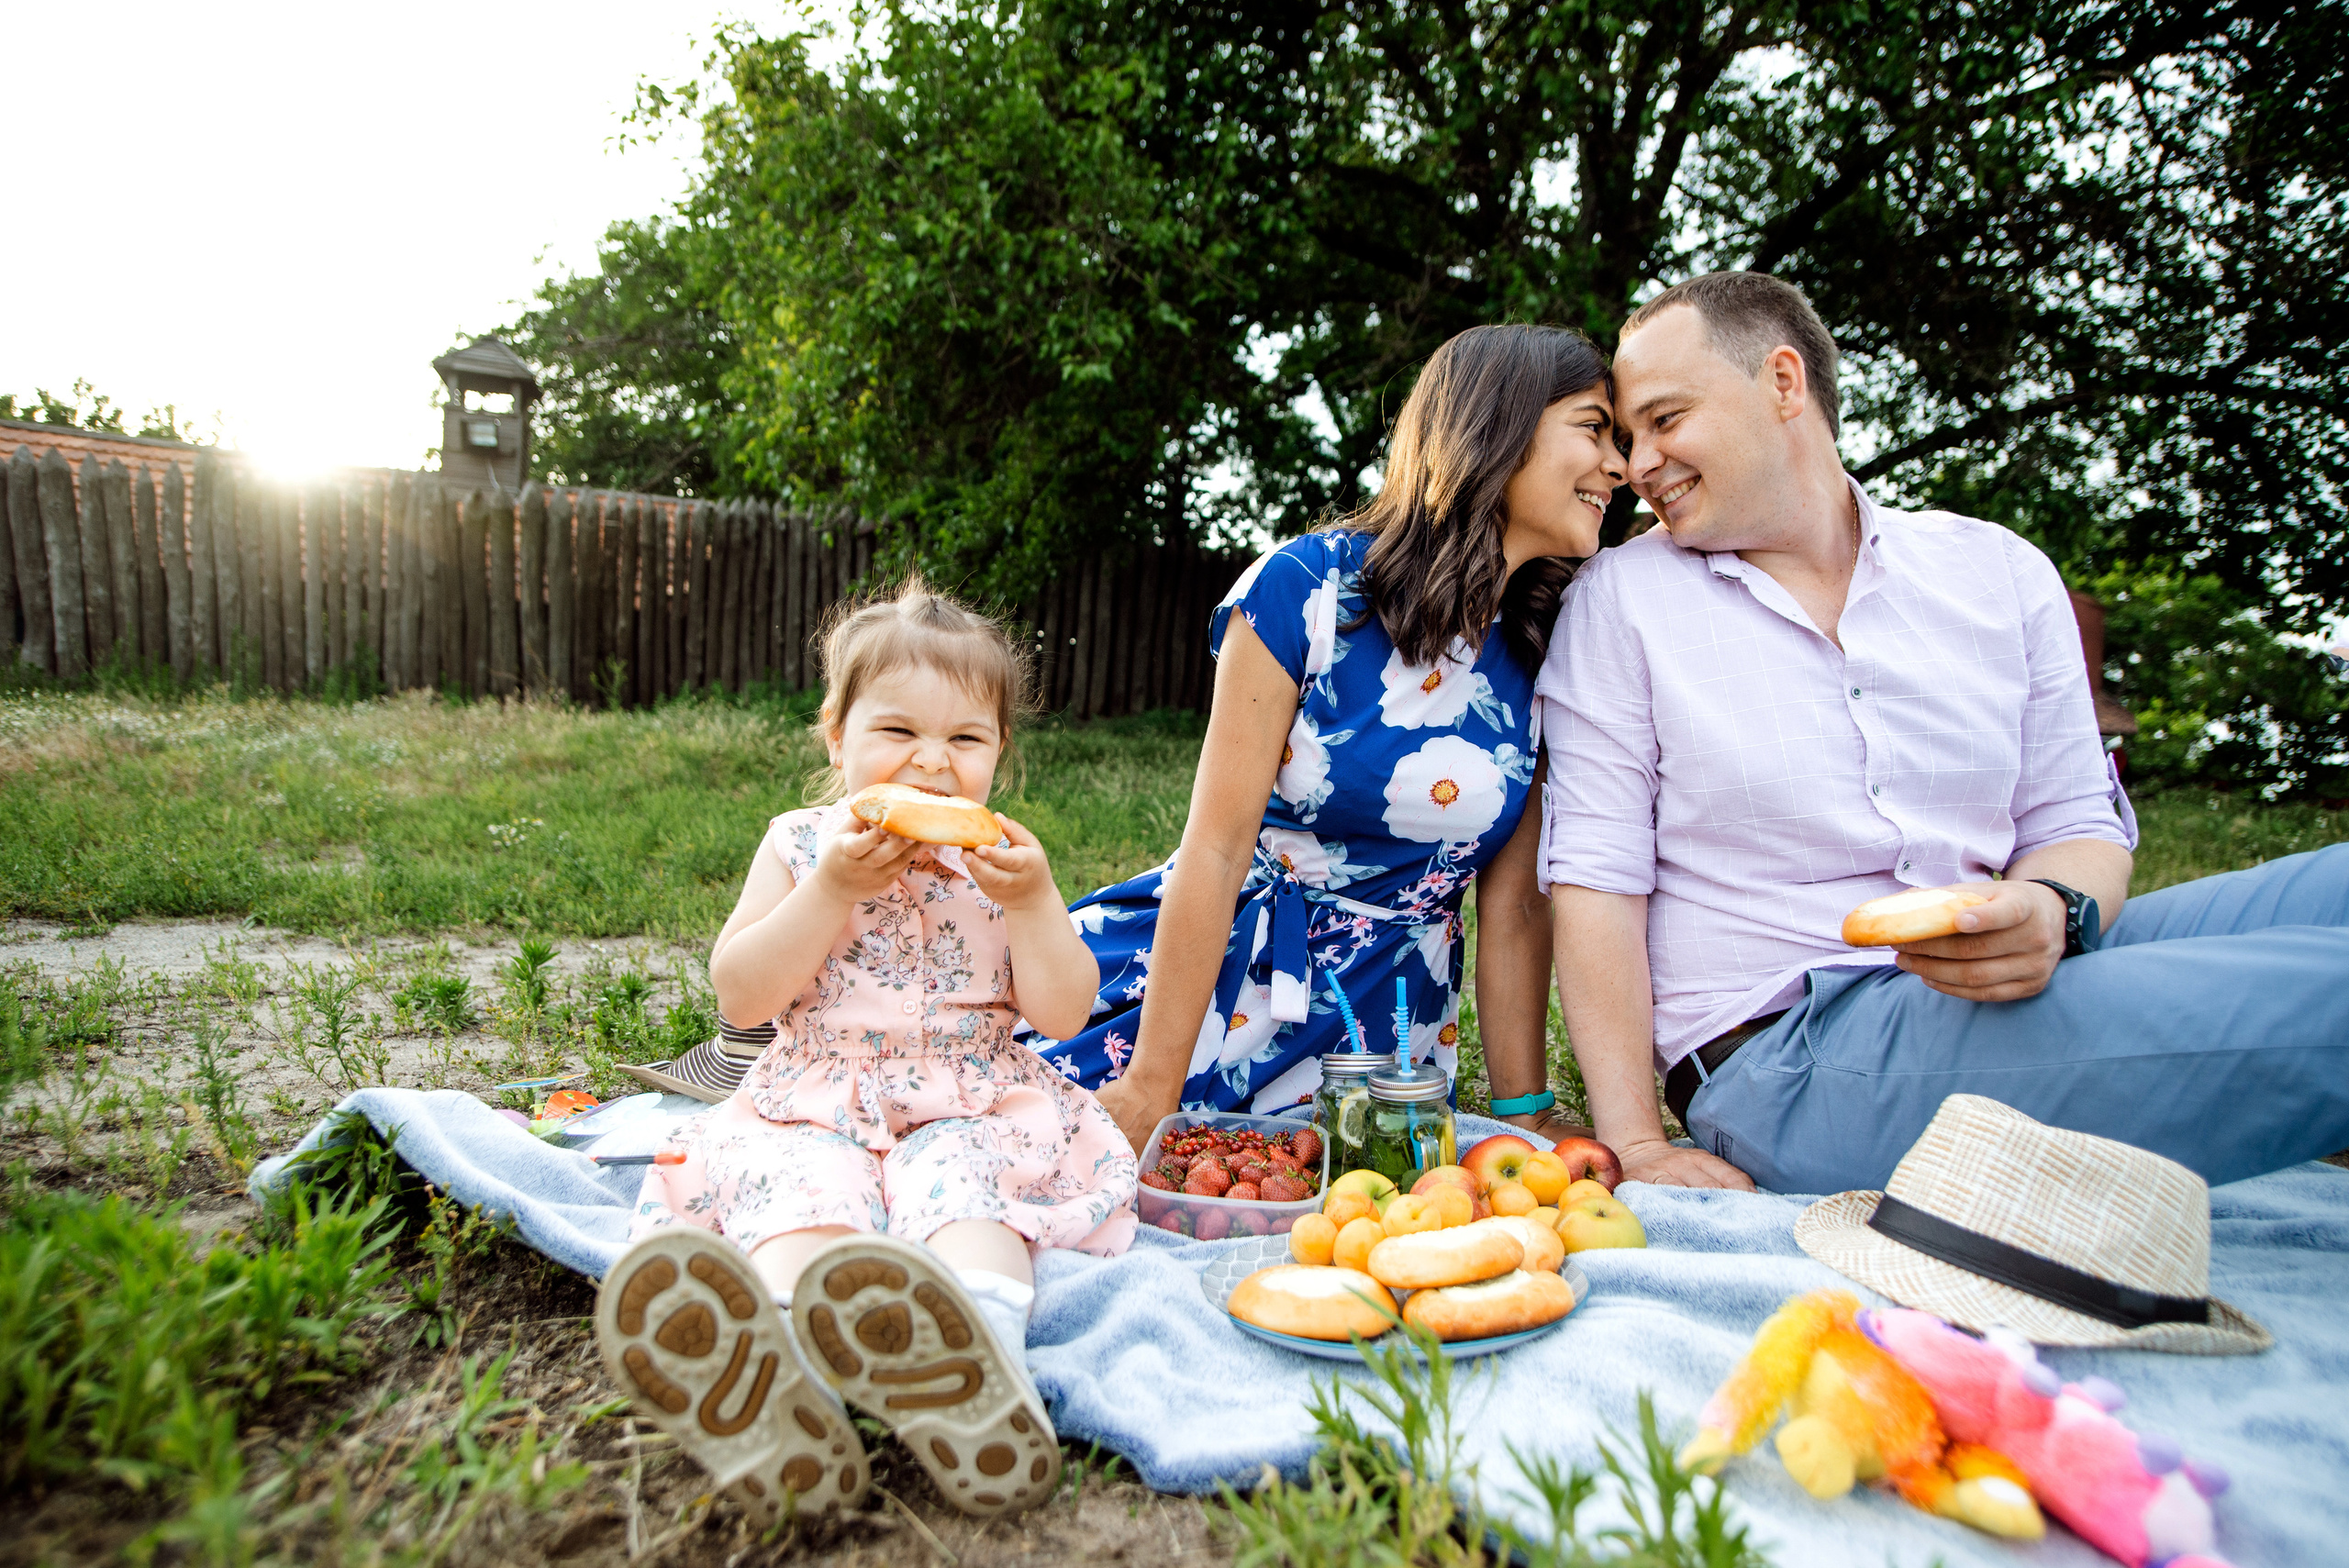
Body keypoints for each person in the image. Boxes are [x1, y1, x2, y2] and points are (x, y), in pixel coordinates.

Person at [1539, 270, 2349, 1196]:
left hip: (1998, 982)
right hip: (1792, 1054)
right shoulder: (1621, 600)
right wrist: (1636, 1144)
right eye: (1627, 435)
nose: (1637, 463)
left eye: (1664, 419)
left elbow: (2077, 818)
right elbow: (1596, 877)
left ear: (1782, 383)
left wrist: (2052, 906)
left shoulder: (1993, 570)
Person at [594, 580, 1135, 1524]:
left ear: (998, 753)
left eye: (965, 739)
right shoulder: (802, 844)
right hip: (817, 1093)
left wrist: (1037, 905)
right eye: (897, 732)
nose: (931, 762)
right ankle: (777, 1376)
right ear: (835, 734)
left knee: (968, 1187)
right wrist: (829, 890)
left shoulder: (1004, 862)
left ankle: (975, 1360)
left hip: (969, 1096)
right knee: (799, 1192)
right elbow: (742, 993)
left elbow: (1062, 1010)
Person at [1035, 324, 1631, 1157]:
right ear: (1501, 425)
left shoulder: (1549, 638)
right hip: (1215, 980)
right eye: (1594, 428)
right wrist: (1150, 1084)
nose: (1621, 466)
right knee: (1017, 1140)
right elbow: (1214, 846)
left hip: (1390, 1032)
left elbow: (1515, 903)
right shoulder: (1306, 590)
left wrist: (1524, 1106)